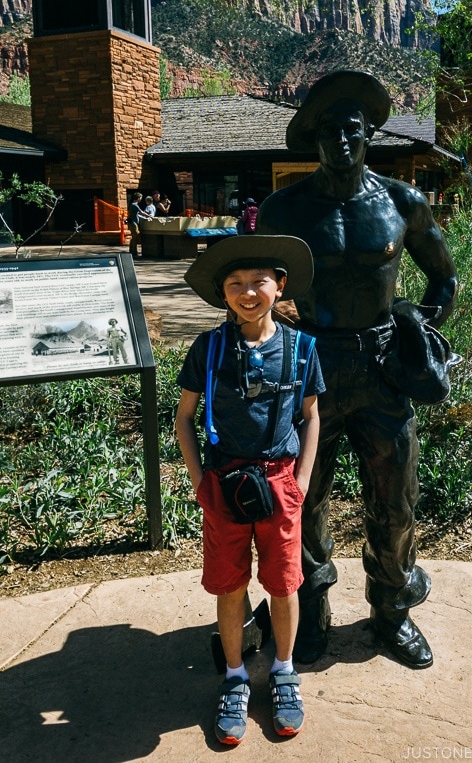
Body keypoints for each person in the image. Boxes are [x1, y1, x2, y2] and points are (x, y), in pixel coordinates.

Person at [258, 70, 458, 670]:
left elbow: (444, 277)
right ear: (313, 138)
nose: (341, 141)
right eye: (328, 131)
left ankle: (391, 612)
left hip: (381, 369)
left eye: (352, 129)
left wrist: (419, 329)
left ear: (369, 133)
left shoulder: (402, 202)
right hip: (310, 366)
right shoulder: (284, 207)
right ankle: (310, 616)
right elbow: (254, 285)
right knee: (303, 500)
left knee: (396, 499)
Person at [175, 234, 325, 745]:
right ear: (222, 293)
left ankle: (283, 670)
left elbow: (311, 416)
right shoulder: (209, 347)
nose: (247, 292)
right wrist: (200, 481)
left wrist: (300, 482)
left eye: (258, 281)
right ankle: (236, 676)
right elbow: (184, 420)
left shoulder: (302, 348)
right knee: (229, 584)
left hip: (280, 483)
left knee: (284, 583)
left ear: (278, 286)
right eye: (235, 284)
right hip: (222, 484)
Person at [127, 192, 152, 257]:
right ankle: (134, 252)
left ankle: (131, 250)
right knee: (135, 237)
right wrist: (149, 216)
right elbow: (141, 212)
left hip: (133, 222)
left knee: (134, 237)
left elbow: (139, 213)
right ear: (138, 198)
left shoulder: (133, 204)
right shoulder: (134, 205)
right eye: (140, 198)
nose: (141, 199)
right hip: (133, 223)